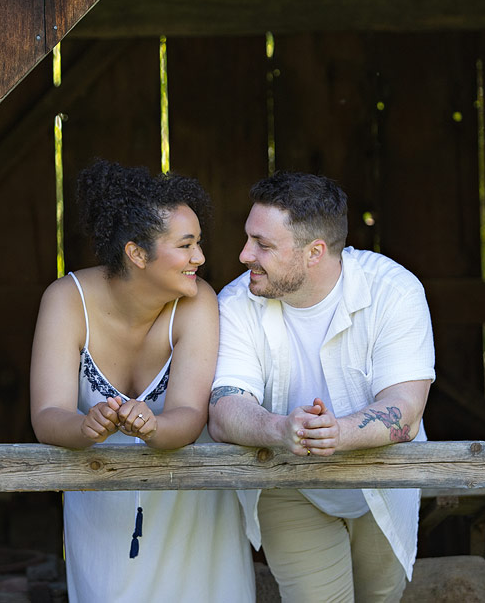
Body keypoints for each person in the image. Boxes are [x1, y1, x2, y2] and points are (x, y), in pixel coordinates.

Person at [30, 159, 255, 603]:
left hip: (193, 512)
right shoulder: (66, 300)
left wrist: (153, 426)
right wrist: (84, 426)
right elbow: (45, 416)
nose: (201, 258)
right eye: (186, 245)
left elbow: (189, 416)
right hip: (102, 512)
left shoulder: (197, 302)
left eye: (199, 243)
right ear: (136, 253)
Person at [208, 171, 435, 603]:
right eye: (248, 238)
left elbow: (405, 408)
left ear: (314, 252)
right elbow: (224, 408)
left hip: (382, 481)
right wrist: (281, 430)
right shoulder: (236, 303)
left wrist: (337, 433)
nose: (243, 255)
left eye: (263, 245)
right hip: (287, 483)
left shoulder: (395, 291)